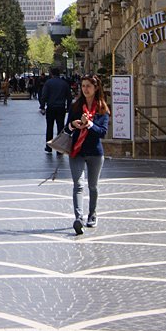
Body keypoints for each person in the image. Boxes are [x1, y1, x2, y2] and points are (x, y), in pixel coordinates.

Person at [64, 74, 110, 235]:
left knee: (93, 186)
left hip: (95, 152)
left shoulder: (102, 108)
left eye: (88, 86)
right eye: (83, 86)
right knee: (78, 185)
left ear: (96, 88)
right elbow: (66, 129)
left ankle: (92, 214)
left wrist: (89, 124)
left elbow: (102, 133)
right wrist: (72, 125)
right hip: (76, 151)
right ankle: (79, 218)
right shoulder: (76, 106)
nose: (85, 89)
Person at [39, 67, 73, 154]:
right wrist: (68, 108)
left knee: (49, 127)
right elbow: (69, 97)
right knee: (60, 128)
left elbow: (44, 95)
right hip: (61, 108)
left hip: (51, 108)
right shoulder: (64, 83)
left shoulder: (48, 83)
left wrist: (42, 106)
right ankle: (59, 148)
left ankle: (49, 146)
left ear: (51, 74)